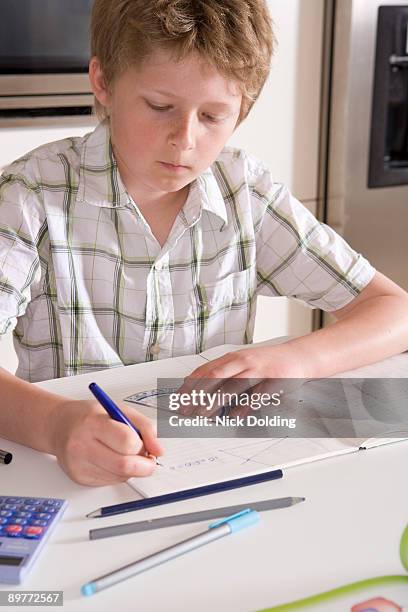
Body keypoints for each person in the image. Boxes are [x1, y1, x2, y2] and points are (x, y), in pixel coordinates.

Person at [1, 0, 408, 486]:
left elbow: (393, 310)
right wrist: (55, 423)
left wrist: (294, 358)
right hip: (69, 475)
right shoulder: (31, 195)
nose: (184, 139)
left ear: (243, 110)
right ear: (104, 82)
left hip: (215, 471)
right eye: (159, 107)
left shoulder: (245, 190)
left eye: (214, 116)